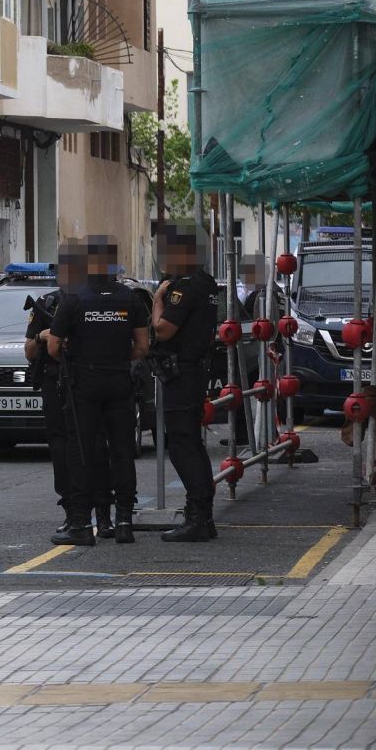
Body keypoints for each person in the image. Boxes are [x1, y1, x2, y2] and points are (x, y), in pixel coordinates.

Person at [47, 236, 149, 545]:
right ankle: (124, 521)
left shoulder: (74, 299)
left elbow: (53, 347)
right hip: (119, 380)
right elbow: (142, 346)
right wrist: (117, 359)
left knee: (82, 451)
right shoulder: (130, 299)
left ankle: (81, 523)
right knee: (121, 451)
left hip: (84, 384)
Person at [151, 225, 221, 543]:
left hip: (182, 373)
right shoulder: (206, 283)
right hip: (193, 370)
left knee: (182, 446)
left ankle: (197, 518)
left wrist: (157, 301)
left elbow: (163, 330)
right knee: (191, 443)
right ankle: (202, 516)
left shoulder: (185, 286)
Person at [25, 244, 97, 535]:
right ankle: (70, 507)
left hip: (84, 380)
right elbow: (29, 351)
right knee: (60, 445)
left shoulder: (92, 301)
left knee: (88, 444)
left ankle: (97, 510)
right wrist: (44, 337)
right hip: (55, 381)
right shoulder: (47, 303)